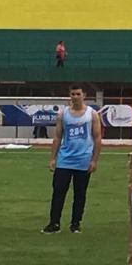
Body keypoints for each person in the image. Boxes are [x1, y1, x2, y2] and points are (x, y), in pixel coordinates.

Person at [42, 84, 101, 234]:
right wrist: (53, 158)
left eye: (78, 94)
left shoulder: (92, 114)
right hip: (65, 159)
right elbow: (57, 137)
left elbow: (97, 137)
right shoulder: (63, 114)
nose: (75, 97)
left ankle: (75, 224)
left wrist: (94, 160)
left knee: (80, 194)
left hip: (83, 160)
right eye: (72, 94)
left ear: (84, 95)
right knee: (58, 191)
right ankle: (54, 223)